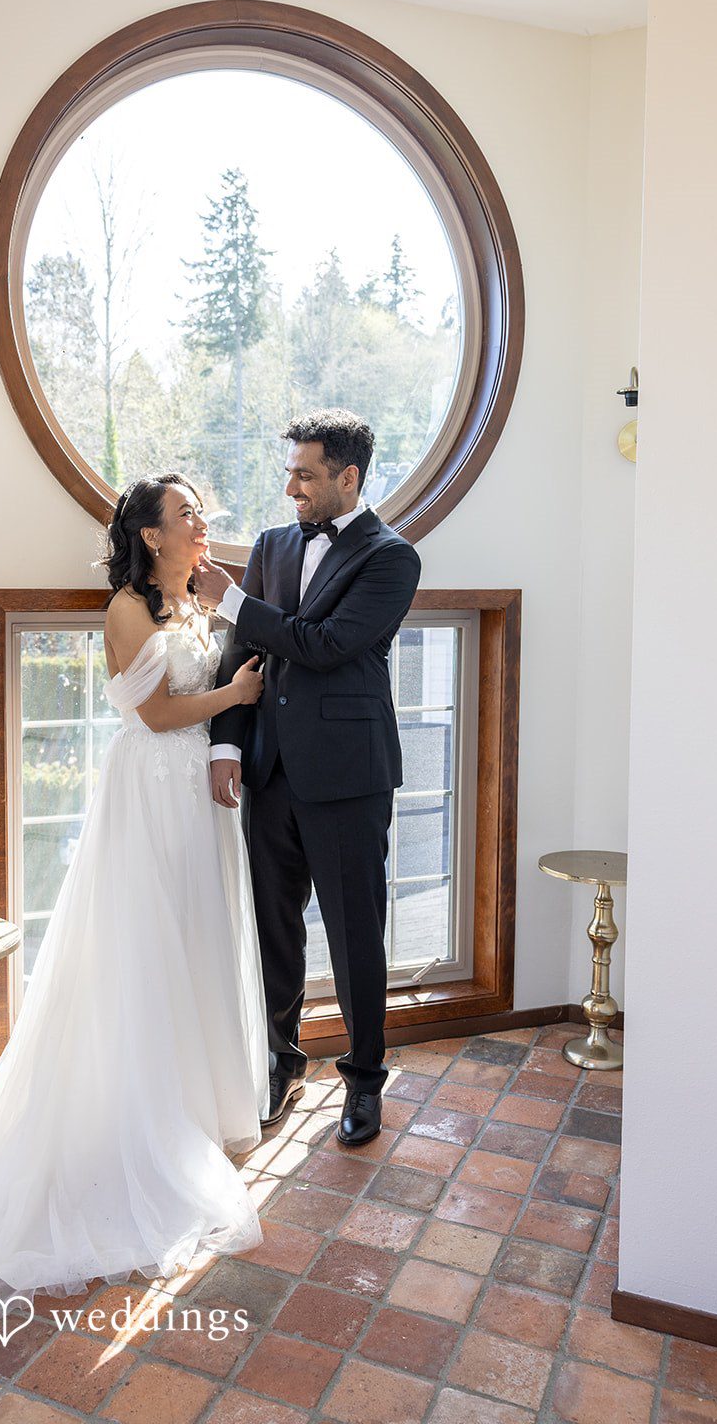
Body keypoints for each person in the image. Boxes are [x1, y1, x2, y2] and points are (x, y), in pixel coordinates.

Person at [0, 472, 269, 1314]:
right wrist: (236, 694)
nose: (201, 524)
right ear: (150, 535)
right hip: (150, 786)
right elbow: (151, 715)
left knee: (195, 940)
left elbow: (228, 632)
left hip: (197, 794)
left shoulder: (200, 603)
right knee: (145, 946)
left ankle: (189, 1108)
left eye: (200, 514)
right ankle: (130, 1125)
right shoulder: (127, 607)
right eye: (187, 515)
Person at [194, 410, 422, 1148]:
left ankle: (362, 1082)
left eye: (304, 473)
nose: (289, 484)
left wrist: (232, 599)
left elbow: (324, 646)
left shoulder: (392, 558)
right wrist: (225, 748)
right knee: (272, 928)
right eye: (289, 469)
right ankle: (280, 1061)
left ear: (347, 477)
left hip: (348, 777)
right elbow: (240, 659)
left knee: (355, 934)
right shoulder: (269, 545)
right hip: (268, 771)